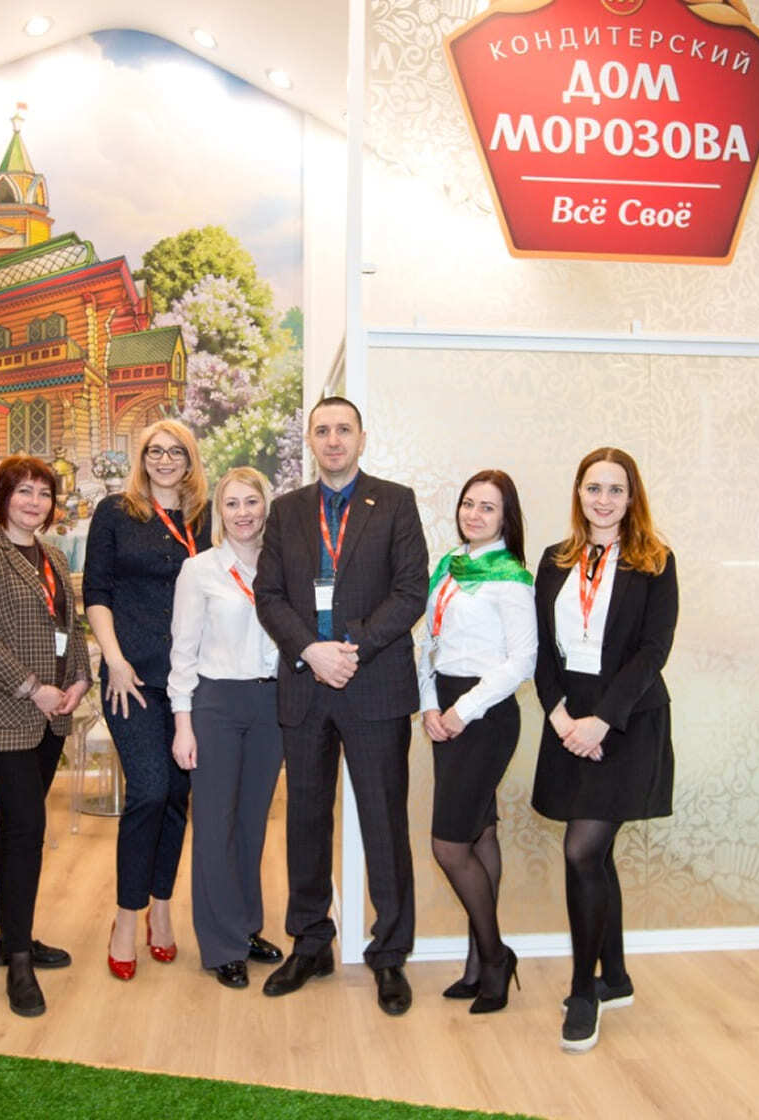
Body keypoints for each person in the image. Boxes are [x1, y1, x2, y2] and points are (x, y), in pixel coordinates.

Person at [253, 396, 428, 1015]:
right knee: (305, 820)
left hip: (373, 682)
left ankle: (389, 954)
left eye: (343, 430)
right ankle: (311, 943)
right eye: (322, 430)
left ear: (361, 438)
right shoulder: (287, 511)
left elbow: (411, 591)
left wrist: (350, 647)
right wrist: (311, 650)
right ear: (310, 440)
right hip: (306, 684)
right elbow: (268, 595)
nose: (333, 440)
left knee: (384, 823)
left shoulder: (396, 502)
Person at [531, 447, 677, 1054]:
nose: (604, 499)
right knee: (595, 857)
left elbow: (653, 650)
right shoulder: (554, 559)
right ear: (579, 493)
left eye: (616, 489)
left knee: (582, 850)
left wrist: (602, 722)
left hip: (628, 723)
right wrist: (561, 716)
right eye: (594, 488)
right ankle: (613, 976)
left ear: (631, 496)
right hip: (568, 721)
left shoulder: (656, 561)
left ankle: (583, 992)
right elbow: (541, 648)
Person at [0, 455, 92, 1016]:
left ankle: (9, 935)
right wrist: (33, 688)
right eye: (24, 492)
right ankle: (18, 958)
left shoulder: (53, 556)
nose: (35, 502)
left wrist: (80, 679)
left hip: (53, 716)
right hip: (3, 714)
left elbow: (70, 627)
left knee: (17, 827)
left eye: (44, 493)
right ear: (2, 497)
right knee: (27, 826)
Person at [83, 419, 211, 979]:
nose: (164, 459)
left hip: (190, 682)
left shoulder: (204, 518)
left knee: (178, 795)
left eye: (175, 451)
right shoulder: (115, 512)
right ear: (142, 458)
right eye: (154, 451)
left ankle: (162, 907)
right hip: (129, 678)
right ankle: (126, 917)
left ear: (190, 459)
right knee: (149, 791)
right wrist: (114, 660)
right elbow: (96, 592)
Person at [417, 470, 536, 1014]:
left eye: (488, 507)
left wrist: (461, 711)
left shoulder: (511, 577)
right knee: (479, 833)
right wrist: (429, 705)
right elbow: (430, 642)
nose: (474, 514)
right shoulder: (449, 565)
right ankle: (475, 964)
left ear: (506, 518)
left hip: (484, 716)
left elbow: (522, 661)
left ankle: (494, 957)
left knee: (449, 845)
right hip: (445, 708)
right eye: (469, 503)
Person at [167, 467, 286, 990]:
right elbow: (183, 652)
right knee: (215, 825)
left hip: (271, 704)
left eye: (251, 502)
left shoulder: (282, 567)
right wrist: (183, 724)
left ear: (266, 507)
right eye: (232, 503)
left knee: (252, 824)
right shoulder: (200, 570)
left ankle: (246, 927)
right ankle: (220, 946)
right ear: (220, 512)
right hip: (215, 704)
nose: (243, 513)